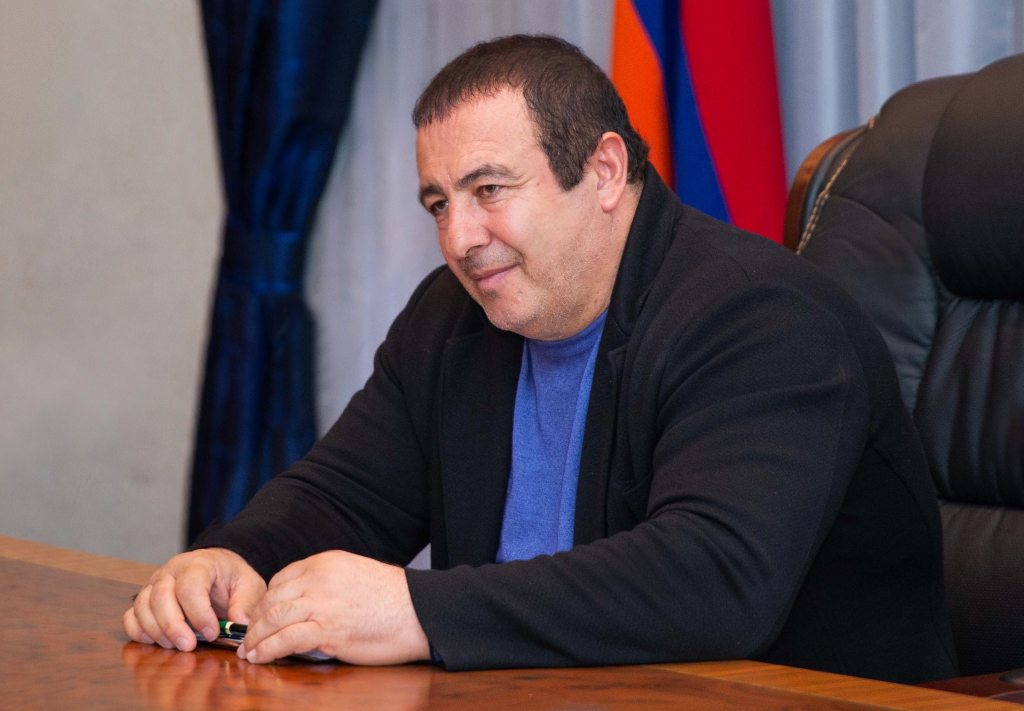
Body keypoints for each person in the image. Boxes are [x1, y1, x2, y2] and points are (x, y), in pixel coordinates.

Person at [124, 35, 957, 683]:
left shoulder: (762, 316)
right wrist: (233, 558)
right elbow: (344, 493)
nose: (460, 238)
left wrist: (417, 609)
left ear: (604, 170)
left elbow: (714, 578)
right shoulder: (453, 315)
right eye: (439, 203)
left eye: (489, 190)